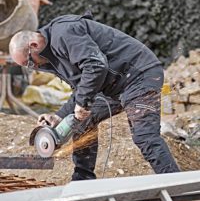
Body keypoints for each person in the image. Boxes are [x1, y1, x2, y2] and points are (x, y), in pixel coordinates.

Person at [9, 12, 180, 180]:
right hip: (112, 86)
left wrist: (83, 102)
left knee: (145, 137)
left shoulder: (64, 33)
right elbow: (82, 88)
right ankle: (82, 180)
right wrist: (58, 116)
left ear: (33, 45)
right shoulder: (51, 58)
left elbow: (96, 65)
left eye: (29, 62)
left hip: (138, 75)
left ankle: (179, 187)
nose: (33, 67)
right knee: (82, 122)